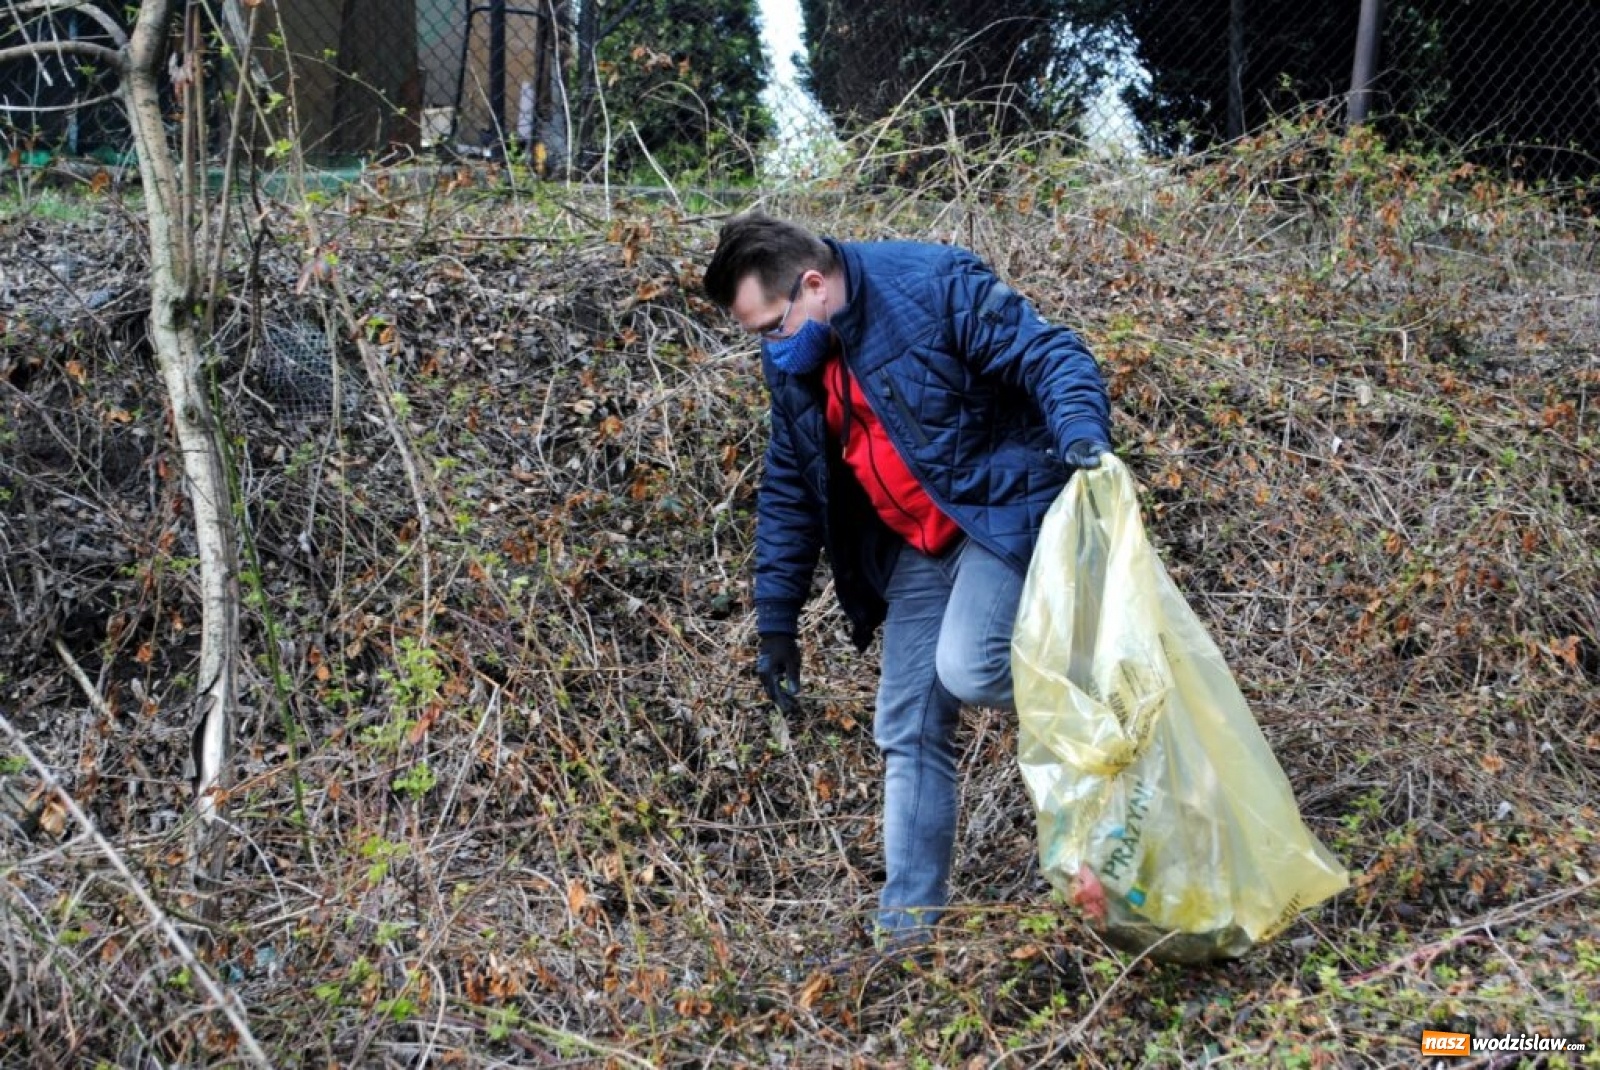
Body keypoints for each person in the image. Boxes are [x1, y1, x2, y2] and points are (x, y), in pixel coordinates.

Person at [702, 212, 1112, 950]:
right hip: (918, 543)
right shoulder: (796, 359)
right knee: (907, 724)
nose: (766, 345)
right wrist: (776, 621)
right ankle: (906, 936)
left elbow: (1049, 354)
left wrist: (1081, 431)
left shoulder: (932, 283)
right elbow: (791, 484)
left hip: (998, 514)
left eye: (769, 325)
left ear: (815, 285)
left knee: (971, 664)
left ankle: (1112, 707)